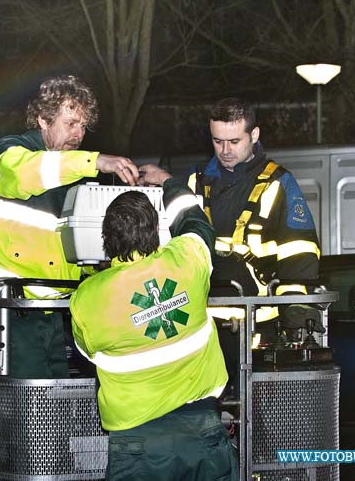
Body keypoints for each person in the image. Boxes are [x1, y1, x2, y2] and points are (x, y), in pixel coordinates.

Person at [70, 165, 239, 481]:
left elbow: (87, 353)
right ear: (157, 229)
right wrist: (169, 182)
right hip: (202, 431)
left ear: (107, 238)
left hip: (136, 445)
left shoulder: (88, 298)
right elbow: (194, 221)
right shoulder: (187, 260)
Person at [0, 74, 139, 378]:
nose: (78, 134)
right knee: (28, 414)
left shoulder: (72, 173)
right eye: (70, 124)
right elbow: (24, 175)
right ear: (43, 120)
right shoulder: (11, 151)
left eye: (83, 126)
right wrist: (95, 162)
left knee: (53, 410)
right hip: (9, 311)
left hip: (52, 314)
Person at [187, 97, 321, 301]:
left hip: (258, 318)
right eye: (217, 141)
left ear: (254, 135)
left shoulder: (278, 182)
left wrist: (295, 306)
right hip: (205, 317)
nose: (225, 151)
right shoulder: (196, 180)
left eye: (234, 141)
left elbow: (299, 249)